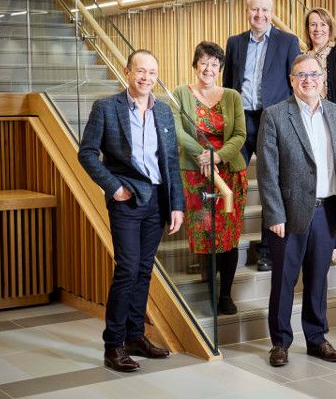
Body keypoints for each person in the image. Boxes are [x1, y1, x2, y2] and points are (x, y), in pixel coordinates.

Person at [77, 49, 185, 372]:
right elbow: (86, 154)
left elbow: (170, 163)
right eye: (141, 71)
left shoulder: (164, 113)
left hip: (156, 200)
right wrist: (114, 187)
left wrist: (177, 204)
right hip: (126, 199)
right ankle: (113, 345)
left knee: (144, 268)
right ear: (127, 72)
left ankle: (136, 335)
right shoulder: (106, 108)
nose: (146, 78)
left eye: (152, 73)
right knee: (127, 268)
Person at [257, 54, 336, 367]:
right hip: (289, 213)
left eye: (314, 74)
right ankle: (280, 342)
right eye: (301, 75)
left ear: (323, 78)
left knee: (317, 279)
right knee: (284, 280)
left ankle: (316, 338)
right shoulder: (275, 115)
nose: (308, 80)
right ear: (291, 79)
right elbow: (267, 171)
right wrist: (274, 214)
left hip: (326, 212)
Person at [223, 0, 301, 272]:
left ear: (272, 12)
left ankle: (267, 249)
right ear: (247, 12)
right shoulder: (235, 43)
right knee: (231, 182)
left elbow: (296, 82)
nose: (260, 15)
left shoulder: (288, 42)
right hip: (242, 121)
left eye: (265, 10)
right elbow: (228, 86)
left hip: (273, 120)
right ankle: (225, 246)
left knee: (271, 185)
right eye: (255, 10)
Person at [169, 41, 247, 316]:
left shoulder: (233, 96)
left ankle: (225, 294)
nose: (209, 68)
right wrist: (202, 154)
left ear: (221, 68)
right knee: (205, 232)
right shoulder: (180, 93)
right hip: (194, 173)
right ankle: (209, 286)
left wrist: (216, 156)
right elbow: (176, 131)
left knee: (229, 235)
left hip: (229, 173)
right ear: (195, 65)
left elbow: (240, 134)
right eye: (204, 62)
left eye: (214, 64)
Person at [304, 7, 336, 265]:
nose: (318, 30)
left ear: (330, 27)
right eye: (313, 25)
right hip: (309, 128)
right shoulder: (304, 58)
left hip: (333, 130)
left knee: (334, 187)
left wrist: (333, 121)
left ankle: (334, 242)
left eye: (323, 24)